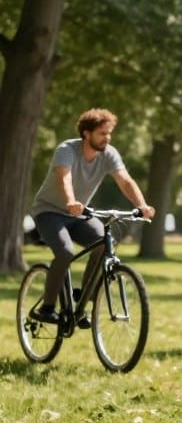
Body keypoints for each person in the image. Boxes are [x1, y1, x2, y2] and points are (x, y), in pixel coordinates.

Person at [30, 108, 156, 325]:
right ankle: (47, 307)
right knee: (65, 252)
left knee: (105, 244)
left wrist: (141, 205)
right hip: (49, 212)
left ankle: (83, 299)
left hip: (80, 214)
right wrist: (70, 201)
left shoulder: (109, 154)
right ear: (86, 134)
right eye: (102, 133)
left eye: (109, 133)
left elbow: (125, 180)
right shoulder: (67, 150)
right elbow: (63, 178)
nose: (107, 138)